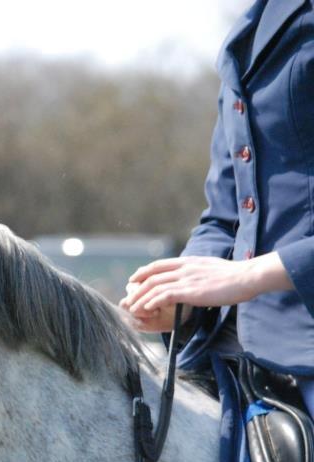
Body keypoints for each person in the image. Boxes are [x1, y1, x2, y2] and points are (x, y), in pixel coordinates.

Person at [120, 0, 314, 413]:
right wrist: (183, 294)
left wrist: (249, 275)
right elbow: (227, 217)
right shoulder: (250, 28)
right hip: (228, 347)